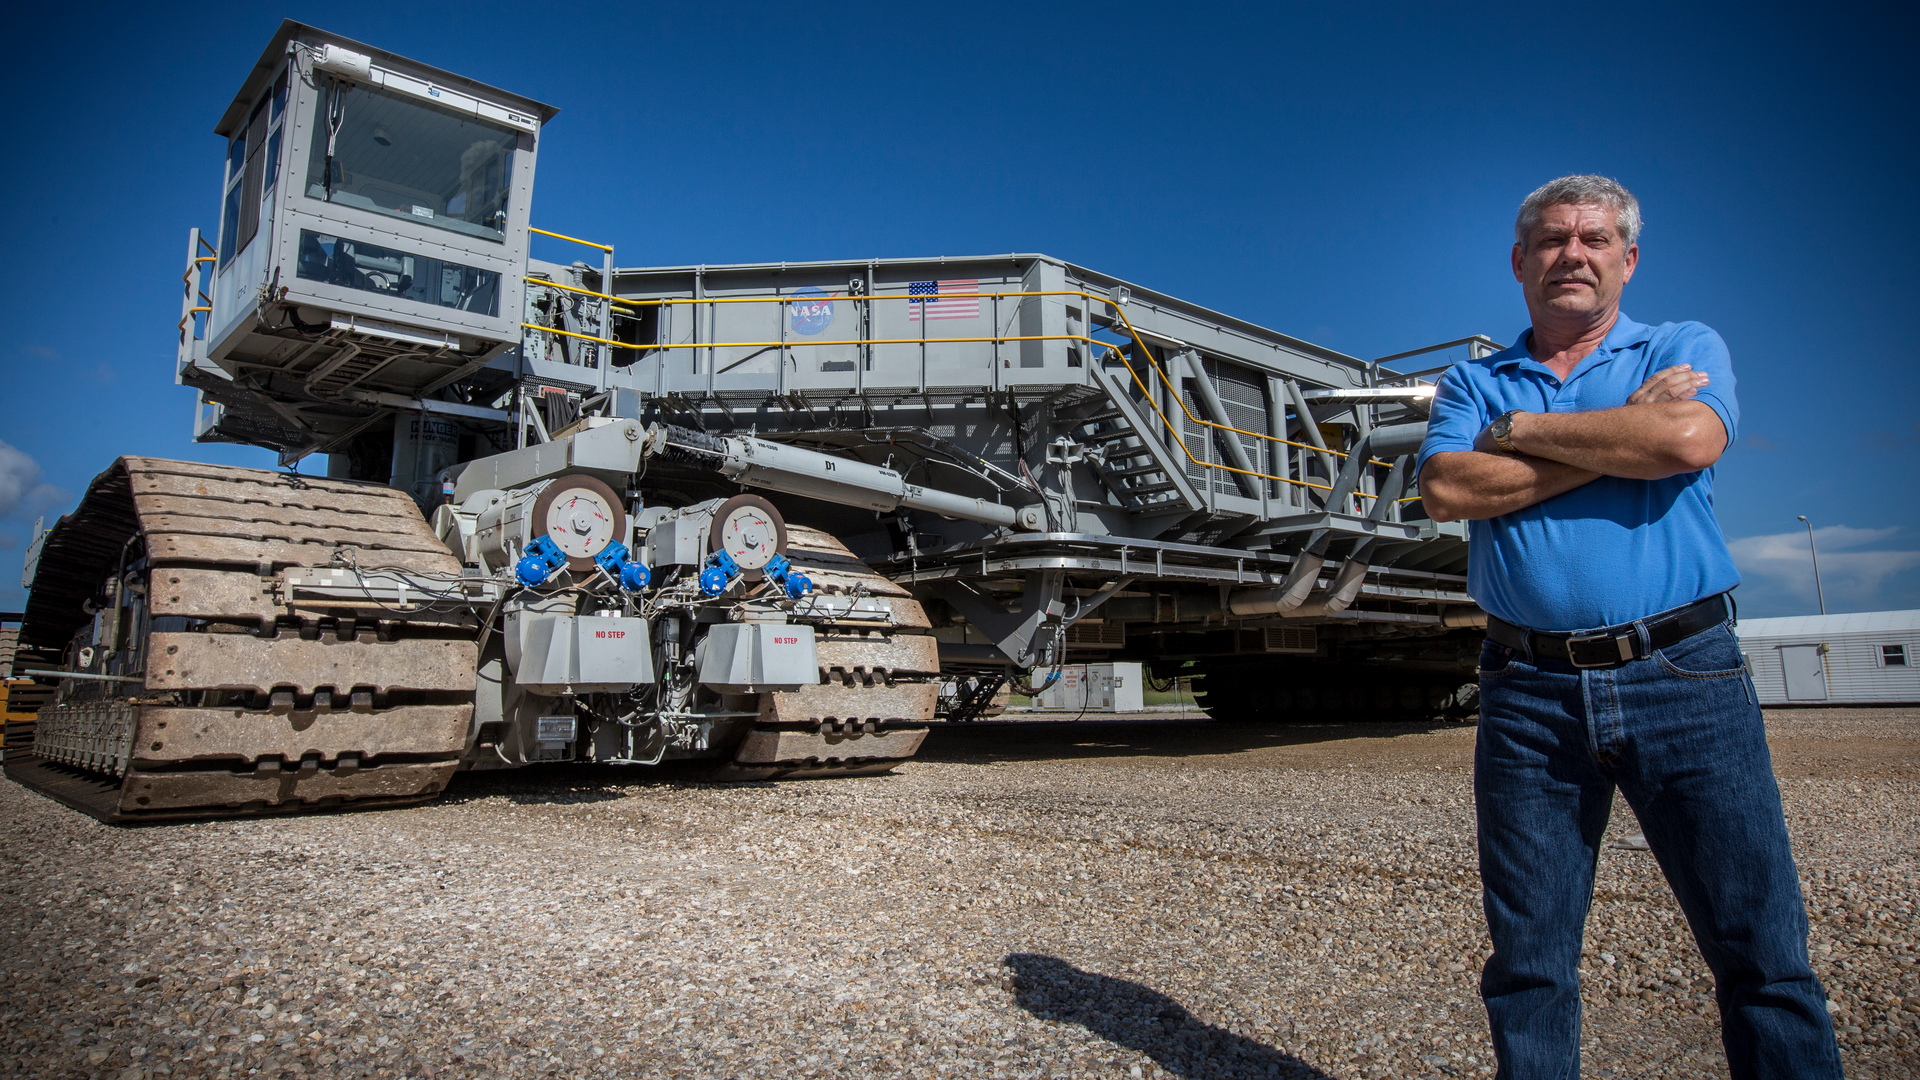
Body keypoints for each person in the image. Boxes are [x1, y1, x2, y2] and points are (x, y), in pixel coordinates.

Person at [1416, 175, 1843, 1079]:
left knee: (1761, 952)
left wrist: (1523, 433)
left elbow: (1684, 442)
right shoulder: (1473, 380)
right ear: (1520, 261)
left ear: (1627, 258)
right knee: (1530, 964)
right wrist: (1611, 439)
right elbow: (1450, 490)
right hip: (1527, 691)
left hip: (1684, 673)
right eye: (1552, 239)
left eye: (1594, 239)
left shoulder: (1682, 345)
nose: (1573, 253)